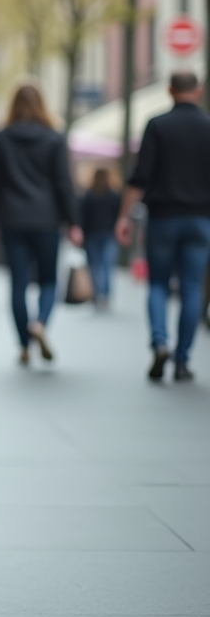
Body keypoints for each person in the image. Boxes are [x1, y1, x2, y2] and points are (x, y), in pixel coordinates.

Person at [116, 71, 210, 383]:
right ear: (199, 91)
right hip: (200, 219)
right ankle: (182, 360)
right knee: (191, 288)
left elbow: (140, 176)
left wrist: (124, 217)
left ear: (170, 91)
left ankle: (159, 342)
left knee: (157, 284)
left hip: (162, 219)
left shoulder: (157, 125)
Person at [0, 79, 80, 366]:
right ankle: (40, 323)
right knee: (49, 279)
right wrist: (73, 221)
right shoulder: (54, 137)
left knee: (19, 282)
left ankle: (24, 346)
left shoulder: (1, 137)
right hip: (47, 219)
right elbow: (64, 183)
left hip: (13, 219)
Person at [79, 167, 121, 311]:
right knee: (107, 266)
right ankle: (106, 294)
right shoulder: (114, 196)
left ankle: (98, 295)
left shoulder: (89, 196)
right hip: (109, 234)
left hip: (92, 235)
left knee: (95, 266)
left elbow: (82, 217)